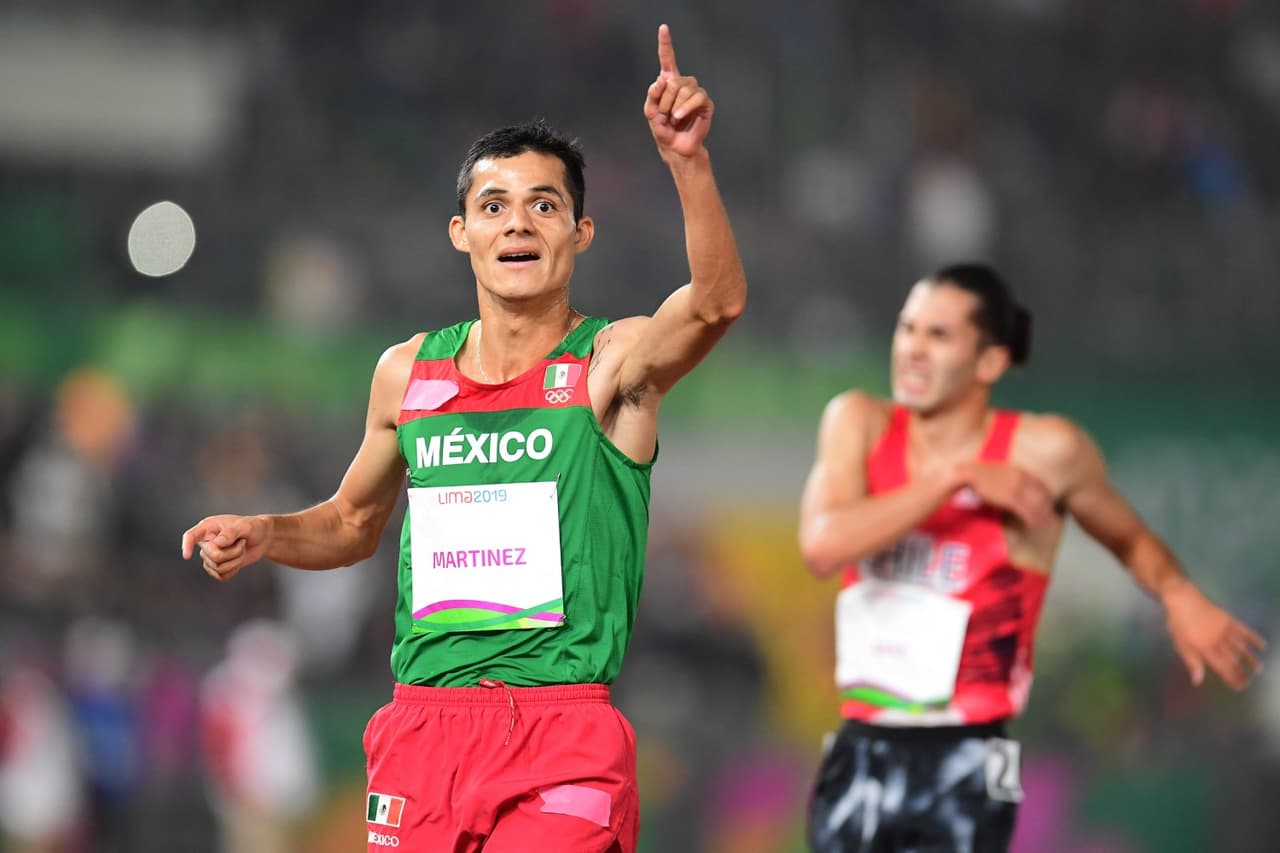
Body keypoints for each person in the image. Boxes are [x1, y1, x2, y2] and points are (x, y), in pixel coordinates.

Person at [181, 23, 745, 853]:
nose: (518, 224)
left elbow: (713, 304)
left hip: (561, 735)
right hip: (422, 730)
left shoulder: (608, 363)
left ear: (580, 234)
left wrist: (688, 163)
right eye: (494, 205)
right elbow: (351, 523)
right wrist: (267, 531)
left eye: (544, 205)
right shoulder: (407, 374)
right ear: (462, 233)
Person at [797, 263, 1265, 853]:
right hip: (861, 744)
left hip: (969, 752)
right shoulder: (858, 422)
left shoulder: (1045, 452)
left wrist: (1177, 593)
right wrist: (957, 477)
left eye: (938, 336)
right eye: (906, 328)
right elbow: (823, 544)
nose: (913, 350)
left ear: (990, 361)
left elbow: (1129, 537)